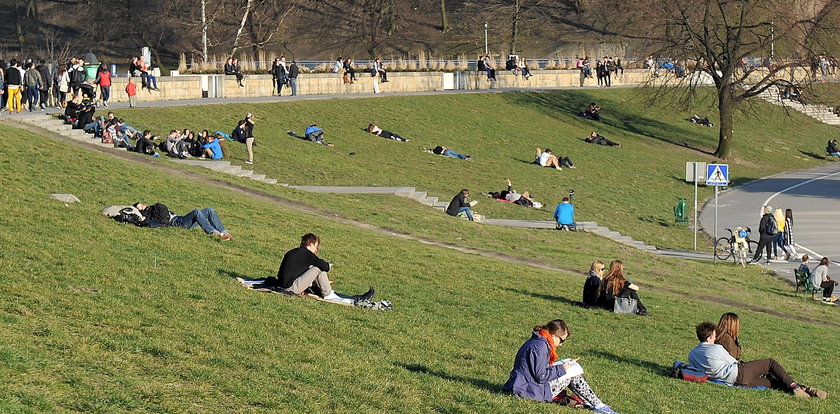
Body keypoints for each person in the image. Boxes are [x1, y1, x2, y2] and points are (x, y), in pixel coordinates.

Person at [502, 320, 621, 413]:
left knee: (569, 372)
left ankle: (596, 404)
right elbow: (541, 376)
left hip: (524, 385)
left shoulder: (538, 342)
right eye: (562, 340)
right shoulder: (540, 347)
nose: (562, 344)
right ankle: (599, 406)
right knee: (573, 376)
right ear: (553, 335)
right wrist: (562, 369)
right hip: (526, 390)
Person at [688, 321, 826, 398]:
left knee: (773, 383)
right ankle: (796, 387)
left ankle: (807, 391)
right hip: (738, 373)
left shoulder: (692, 354)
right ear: (710, 336)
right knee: (770, 363)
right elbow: (734, 363)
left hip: (733, 382)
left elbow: (699, 371)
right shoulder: (716, 348)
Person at [271, 233, 374, 303]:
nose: (316, 249)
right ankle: (328, 294)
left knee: (314, 267)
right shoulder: (307, 254)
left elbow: (297, 272)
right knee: (318, 267)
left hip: (284, 284)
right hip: (290, 288)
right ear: (311, 244)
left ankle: (324, 288)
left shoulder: (293, 252)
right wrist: (328, 265)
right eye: (316, 246)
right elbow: (324, 266)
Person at [133, 202, 231, 240]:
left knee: (209, 210)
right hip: (177, 223)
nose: (142, 205)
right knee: (196, 212)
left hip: (180, 218)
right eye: (139, 207)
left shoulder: (153, 207)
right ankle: (214, 233)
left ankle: (224, 232)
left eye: (141, 204)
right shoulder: (148, 214)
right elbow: (149, 222)